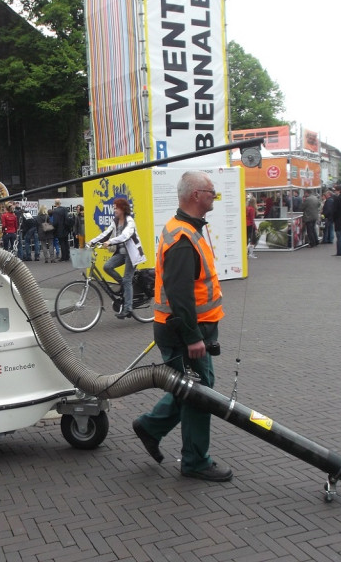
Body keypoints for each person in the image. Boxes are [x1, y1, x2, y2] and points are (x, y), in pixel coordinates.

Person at [132, 171, 231, 482]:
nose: (214, 195)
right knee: (200, 395)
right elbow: (180, 294)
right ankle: (195, 461)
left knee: (189, 390)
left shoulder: (188, 230)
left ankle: (151, 426)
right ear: (195, 195)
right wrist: (192, 337)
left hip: (189, 330)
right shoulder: (184, 238)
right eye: (211, 191)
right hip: (185, 333)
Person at [87, 198, 146, 319]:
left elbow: (125, 236)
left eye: (116, 208)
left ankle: (128, 308)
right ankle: (124, 286)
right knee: (107, 267)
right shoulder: (116, 221)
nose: (114, 210)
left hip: (132, 254)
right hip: (122, 253)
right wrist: (91, 242)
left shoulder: (130, 221)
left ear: (123, 209)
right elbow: (106, 233)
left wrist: (110, 242)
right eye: (114, 208)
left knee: (127, 279)